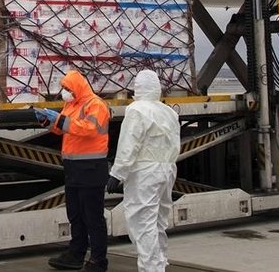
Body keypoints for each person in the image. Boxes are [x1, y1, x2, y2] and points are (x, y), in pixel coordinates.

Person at [105, 70, 180, 272]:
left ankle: (150, 268)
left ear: (137, 88)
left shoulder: (137, 110)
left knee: (143, 224)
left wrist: (117, 173)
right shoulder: (169, 112)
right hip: (167, 169)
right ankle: (159, 263)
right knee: (158, 222)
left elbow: (130, 144)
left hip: (145, 172)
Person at [36, 70, 111, 272]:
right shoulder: (72, 104)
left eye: (67, 88)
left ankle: (98, 260)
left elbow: (88, 129)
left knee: (92, 216)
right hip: (73, 168)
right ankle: (76, 254)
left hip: (91, 169)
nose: (64, 92)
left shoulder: (96, 105)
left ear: (77, 88)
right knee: (75, 214)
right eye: (64, 88)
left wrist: (59, 120)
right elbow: (63, 129)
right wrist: (47, 121)